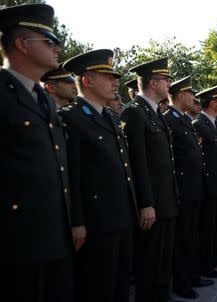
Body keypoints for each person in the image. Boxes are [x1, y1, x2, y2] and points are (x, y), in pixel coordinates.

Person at [0, 4, 74, 301]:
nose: (57, 47)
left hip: (52, 233)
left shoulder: (41, 96)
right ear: (22, 44)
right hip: (16, 241)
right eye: (48, 41)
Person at [61, 49, 138, 302]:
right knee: (98, 286)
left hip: (121, 215)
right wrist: (78, 221)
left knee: (119, 283)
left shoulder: (109, 117)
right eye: (107, 76)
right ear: (87, 81)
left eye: (115, 76)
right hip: (96, 221)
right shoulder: (71, 118)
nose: (115, 82)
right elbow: (72, 175)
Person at [121, 57, 179, 302]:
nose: (169, 84)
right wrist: (146, 203)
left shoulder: (153, 113)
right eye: (166, 79)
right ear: (153, 83)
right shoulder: (134, 113)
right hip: (152, 204)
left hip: (165, 201)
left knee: (163, 260)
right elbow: (138, 164)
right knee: (150, 263)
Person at [164, 76, 213, 299]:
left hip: (193, 188)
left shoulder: (182, 119)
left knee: (192, 235)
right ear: (180, 96)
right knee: (183, 238)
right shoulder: (169, 120)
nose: (195, 98)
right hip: (182, 189)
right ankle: (182, 282)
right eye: (191, 94)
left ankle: (192, 276)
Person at [192, 84, 217, 278]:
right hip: (208, 184)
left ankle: (215, 258)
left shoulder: (214, 123)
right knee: (208, 227)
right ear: (213, 103)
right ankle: (206, 264)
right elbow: (201, 157)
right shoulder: (199, 124)